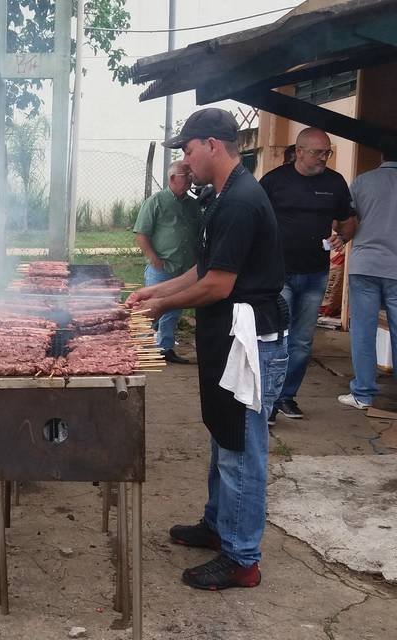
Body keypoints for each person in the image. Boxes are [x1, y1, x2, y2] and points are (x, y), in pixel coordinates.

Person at [127, 108, 288, 590]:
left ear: (213, 144)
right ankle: (218, 525)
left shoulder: (240, 201)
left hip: (249, 343)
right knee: (223, 434)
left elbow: (218, 285)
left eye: (188, 149)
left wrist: (162, 310)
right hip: (228, 338)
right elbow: (203, 269)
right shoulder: (221, 198)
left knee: (241, 445)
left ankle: (242, 559)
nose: (185, 159)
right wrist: (155, 292)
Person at [259, 128, 356, 423]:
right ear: (299, 152)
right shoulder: (274, 181)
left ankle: (287, 396)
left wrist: (343, 237)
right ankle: (269, 400)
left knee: (302, 341)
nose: (323, 158)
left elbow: (350, 222)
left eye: (327, 152)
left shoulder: (335, 182)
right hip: (280, 274)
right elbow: (255, 219)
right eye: (317, 152)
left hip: (315, 274)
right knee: (279, 338)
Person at [338, 143, 397, 410]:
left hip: (365, 265)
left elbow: (347, 219)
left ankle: (363, 393)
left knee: (363, 330)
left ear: (383, 154)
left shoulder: (363, 181)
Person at [133, 160, 201, 363]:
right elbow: (141, 232)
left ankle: (166, 348)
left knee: (173, 310)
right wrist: (153, 258)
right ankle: (141, 349)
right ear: (172, 178)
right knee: (150, 308)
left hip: (185, 268)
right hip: (162, 266)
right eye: (185, 175)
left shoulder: (192, 204)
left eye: (190, 175)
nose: (190, 178)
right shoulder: (156, 201)